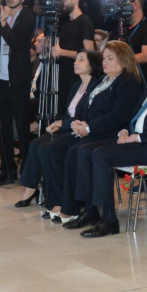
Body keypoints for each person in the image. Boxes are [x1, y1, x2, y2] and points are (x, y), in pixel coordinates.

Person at [65, 38, 147, 236]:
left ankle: (108, 220)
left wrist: (138, 138)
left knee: (101, 154)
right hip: (139, 142)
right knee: (84, 150)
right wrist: (124, 131)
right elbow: (132, 117)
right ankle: (90, 210)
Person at [47, 41, 143, 221]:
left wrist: (89, 128)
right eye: (104, 57)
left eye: (110, 58)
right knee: (67, 150)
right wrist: (78, 123)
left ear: (123, 61)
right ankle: (74, 206)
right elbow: (86, 106)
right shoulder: (105, 80)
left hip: (111, 133)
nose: (104, 61)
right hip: (94, 130)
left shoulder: (126, 82)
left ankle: (84, 208)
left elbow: (118, 116)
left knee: (78, 151)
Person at [13, 49, 101, 202]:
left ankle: (54, 195)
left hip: (80, 130)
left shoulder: (96, 87)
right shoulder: (76, 86)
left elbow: (84, 116)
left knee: (47, 148)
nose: (76, 63)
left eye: (81, 60)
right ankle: (31, 188)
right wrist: (58, 123)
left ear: (92, 65)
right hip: (67, 126)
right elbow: (67, 113)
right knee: (35, 144)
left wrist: (62, 124)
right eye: (76, 59)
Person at [0, 0, 36, 184]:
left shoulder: (27, 17)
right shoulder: (0, 13)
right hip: (0, 77)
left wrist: (3, 24)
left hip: (18, 79)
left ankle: (26, 170)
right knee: (3, 127)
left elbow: (17, 43)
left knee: (22, 126)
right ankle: (7, 169)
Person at [50, 0, 96, 121]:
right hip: (62, 74)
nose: (62, 2)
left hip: (76, 77)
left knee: (72, 113)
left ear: (76, 0)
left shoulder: (84, 21)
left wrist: (62, 52)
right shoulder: (63, 24)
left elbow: (89, 52)